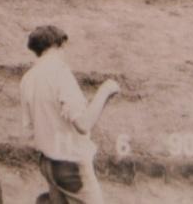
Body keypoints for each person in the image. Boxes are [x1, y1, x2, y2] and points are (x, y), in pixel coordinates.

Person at [20, 26, 120, 204]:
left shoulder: (28, 78)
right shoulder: (60, 72)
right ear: (60, 44)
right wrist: (105, 90)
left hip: (47, 163)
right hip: (71, 165)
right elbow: (83, 125)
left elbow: (30, 127)